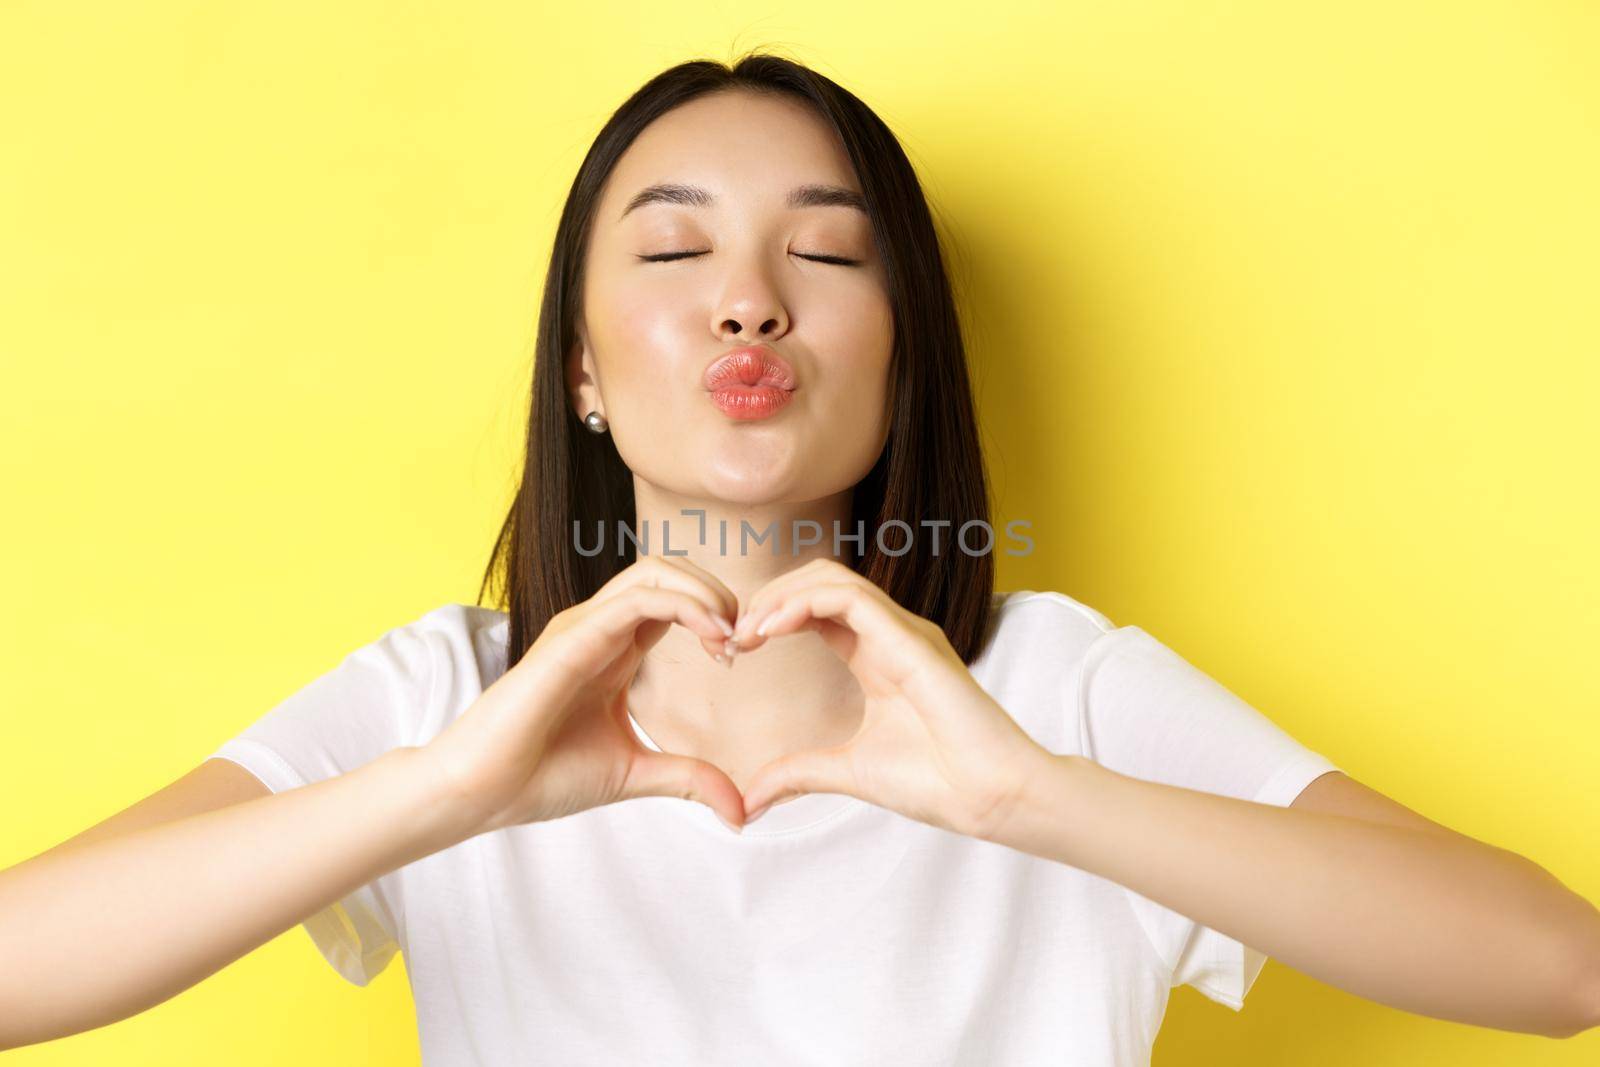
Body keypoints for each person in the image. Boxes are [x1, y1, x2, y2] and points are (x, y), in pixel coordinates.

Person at [3, 52, 1596, 1066]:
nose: (749, 304)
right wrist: (441, 794)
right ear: (581, 367)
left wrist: (1027, 799)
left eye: (825, 254)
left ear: (905, 362)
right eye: (678, 253)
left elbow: (1555, 965)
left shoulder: (1053, 692)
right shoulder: (447, 697)